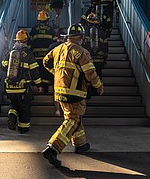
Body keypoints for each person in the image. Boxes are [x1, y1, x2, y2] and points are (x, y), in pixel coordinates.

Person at [41, 23, 104, 168]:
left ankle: (80, 144)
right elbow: (90, 74)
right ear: (81, 37)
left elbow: (45, 62)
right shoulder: (82, 52)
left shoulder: (57, 49)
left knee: (75, 118)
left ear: (69, 37)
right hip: (75, 93)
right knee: (72, 120)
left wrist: (56, 74)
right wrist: (99, 87)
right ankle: (52, 148)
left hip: (59, 91)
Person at [1, 29, 43, 134]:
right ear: (26, 41)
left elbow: (3, 67)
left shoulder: (10, 53)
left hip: (10, 88)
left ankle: (12, 116)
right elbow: (34, 72)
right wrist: (39, 84)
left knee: (13, 104)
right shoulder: (28, 54)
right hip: (23, 88)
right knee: (24, 108)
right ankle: (23, 128)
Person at [28, 10, 56, 93]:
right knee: (46, 73)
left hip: (36, 56)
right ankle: (45, 90)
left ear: (38, 20)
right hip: (47, 56)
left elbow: (29, 44)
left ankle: (39, 87)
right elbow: (54, 43)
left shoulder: (34, 29)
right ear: (47, 20)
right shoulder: (51, 29)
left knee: (38, 72)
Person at [48, 28, 66, 116]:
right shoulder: (67, 47)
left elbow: (47, 61)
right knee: (66, 91)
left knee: (56, 91)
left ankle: (57, 110)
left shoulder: (51, 46)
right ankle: (66, 110)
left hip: (55, 73)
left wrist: (51, 71)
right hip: (66, 73)